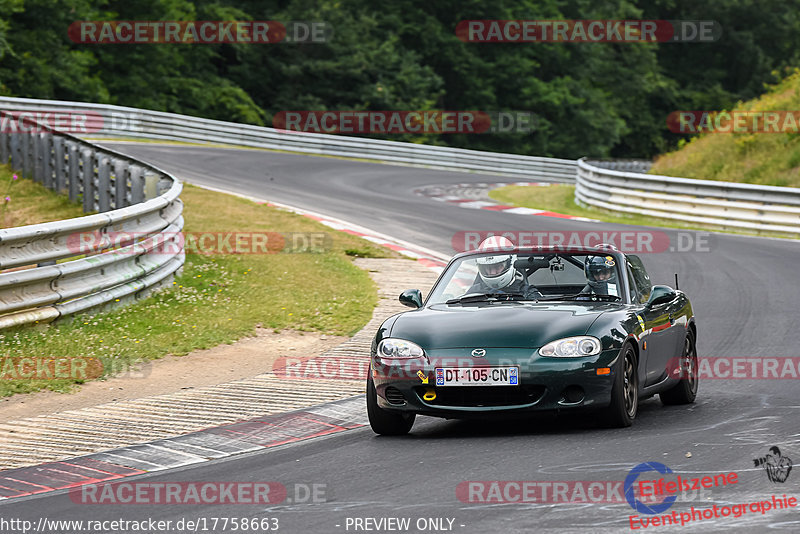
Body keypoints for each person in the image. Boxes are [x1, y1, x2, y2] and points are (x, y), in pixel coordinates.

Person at [467, 236, 539, 297]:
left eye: (497, 267)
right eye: (488, 268)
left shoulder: (529, 294)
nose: (493, 272)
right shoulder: (473, 294)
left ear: (511, 263)